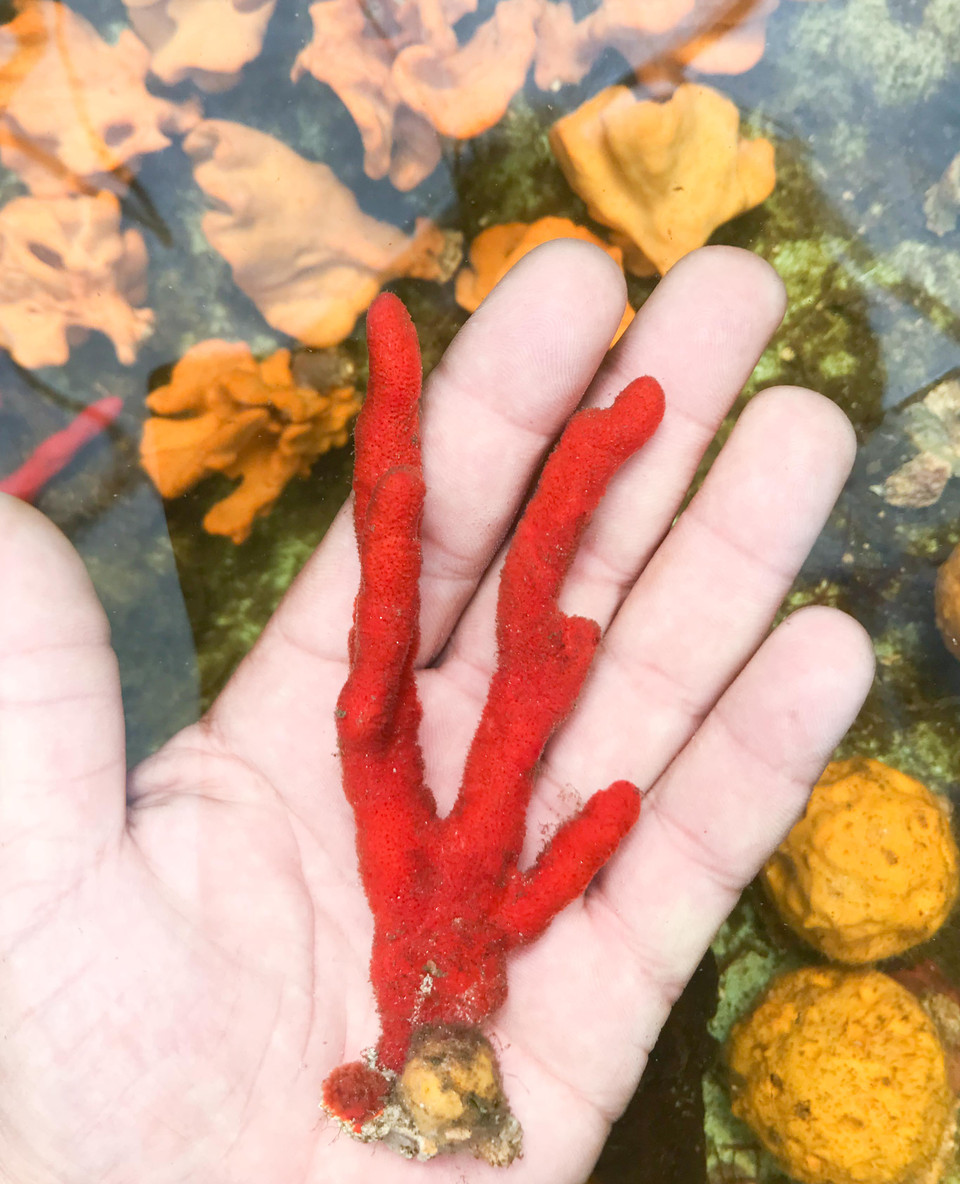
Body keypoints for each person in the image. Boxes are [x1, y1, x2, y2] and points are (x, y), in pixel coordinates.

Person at [0, 244, 874, 1183]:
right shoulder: (430, 1003)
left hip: (420, 979)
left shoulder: (426, 1001)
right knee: (382, 697)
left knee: (382, 694)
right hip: (419, 980)